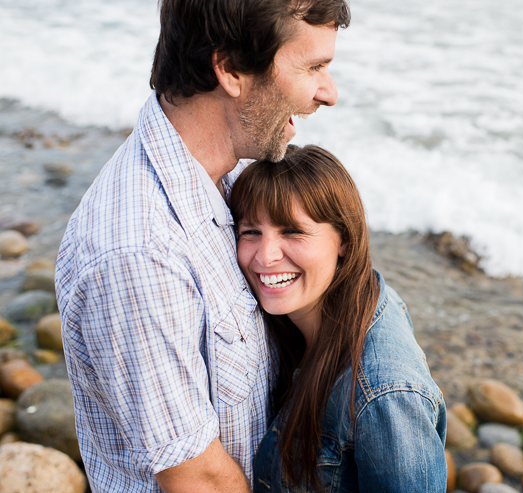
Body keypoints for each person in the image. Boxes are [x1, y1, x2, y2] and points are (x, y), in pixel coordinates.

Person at [54, 1, 349, 491]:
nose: (328, 93)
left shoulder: (228, 176)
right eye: (313, 66)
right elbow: (199, 480)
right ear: (230, 68)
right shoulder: (140, 255)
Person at [228, 144, 448, 492]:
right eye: (250, 232)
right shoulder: (353, 297)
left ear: (343, 239)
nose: (265, 257)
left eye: (292, 232)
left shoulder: (383, 396)